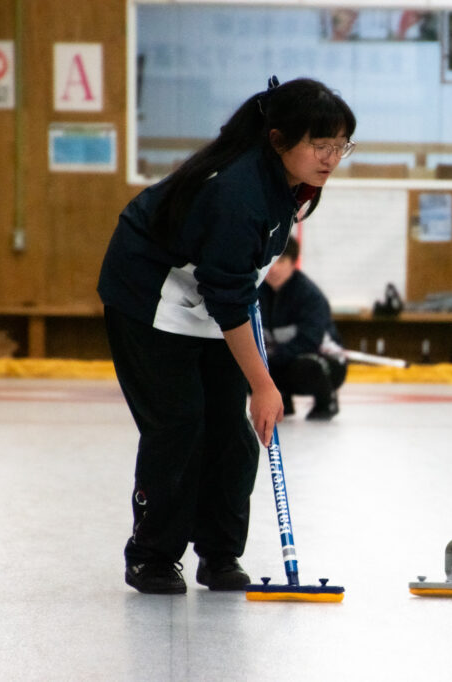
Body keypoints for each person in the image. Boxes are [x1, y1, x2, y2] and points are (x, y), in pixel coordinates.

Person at [97, 77, 356, 594]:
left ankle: (219, 554)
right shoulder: (237, 189)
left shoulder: (297, 186)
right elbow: (229, 293)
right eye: (319, 145)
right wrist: (264, 383)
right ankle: (151, 555)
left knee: (233, 434)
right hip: (148, 296)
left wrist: (255, 377)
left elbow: (237, 280)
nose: (331, 158)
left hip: (212, 297)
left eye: (340, 145)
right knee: (180, 423)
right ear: (279, 140)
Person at [259, 235, 347, 421]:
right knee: (249, 366)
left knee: (306, 366)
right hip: (279, 358)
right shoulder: (256, 293)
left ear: (293, 263)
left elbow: (309, 340)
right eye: (270, 261)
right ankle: (282, 402)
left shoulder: (310, 296)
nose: (273, 269)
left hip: (323, 362)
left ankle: (326, 401)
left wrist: (273, 357)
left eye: (281, 261)